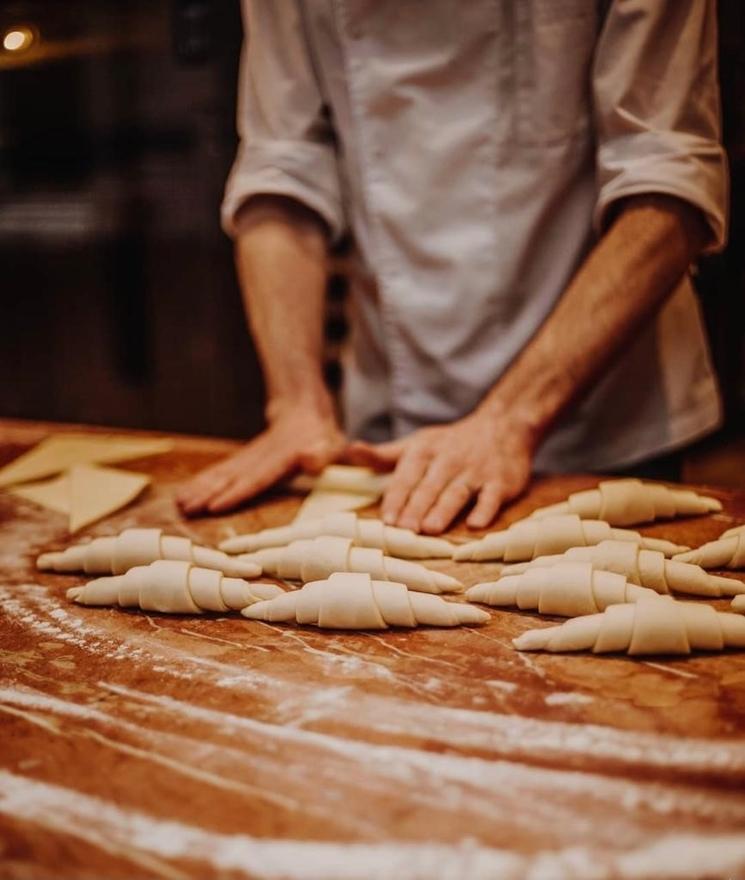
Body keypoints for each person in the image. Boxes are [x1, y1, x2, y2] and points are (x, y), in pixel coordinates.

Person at [177, 0, 728, 535]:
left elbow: (666, 174)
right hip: (386, 429)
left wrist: (511, 419)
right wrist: (295, 402)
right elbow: (284, 167)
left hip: (604, 426)